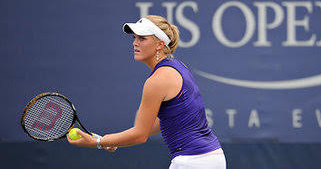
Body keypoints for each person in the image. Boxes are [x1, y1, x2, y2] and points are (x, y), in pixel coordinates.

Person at [68, 15, 226, 169]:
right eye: (134, 38)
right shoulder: (178, 66)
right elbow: (162, 122)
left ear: (160, 44)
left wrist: (98, 143)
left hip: (192, 161)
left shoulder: (157, 80)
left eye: (142, 39)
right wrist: (112, 140)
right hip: (213, 156)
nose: (135, 43)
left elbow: (140, 135)